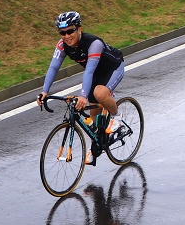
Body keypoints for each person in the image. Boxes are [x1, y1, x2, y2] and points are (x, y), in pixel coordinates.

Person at [37, 11, 125, 164]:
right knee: (92, 120)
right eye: (62, 32)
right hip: (95, 74)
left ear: (79, 29)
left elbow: (89, 70)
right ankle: (96, 145)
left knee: (99, 93)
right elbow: (53, 68)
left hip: (113, 68)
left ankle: (118, 118)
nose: (66, 36)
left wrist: (83, 95)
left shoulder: (94, 43)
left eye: (70, 31)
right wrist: (45, 91)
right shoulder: (62, 45)